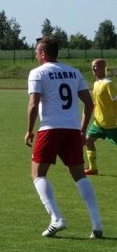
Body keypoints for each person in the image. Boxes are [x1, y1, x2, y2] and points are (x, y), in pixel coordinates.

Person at [25, 36, 103, 239]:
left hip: (50, 129)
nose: (35, 56)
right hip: (71, 130)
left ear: (43, 54)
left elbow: (33, 104)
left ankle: (56, 218)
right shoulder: (74, 71)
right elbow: (89, 103)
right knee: (79, 176)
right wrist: (82, 130)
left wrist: (29, 130)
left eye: (36, 53)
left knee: (37, 174)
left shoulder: (38, 73)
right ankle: (97, 224)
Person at [84, 58, 117, 175]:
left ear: (104, 68)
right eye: (93, 66)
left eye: (96, 66)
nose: (93, 68)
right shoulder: (96, 83)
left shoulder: (108, 84)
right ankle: (93, 169)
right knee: (88, 140)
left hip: (112, 124)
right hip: (98, 123)